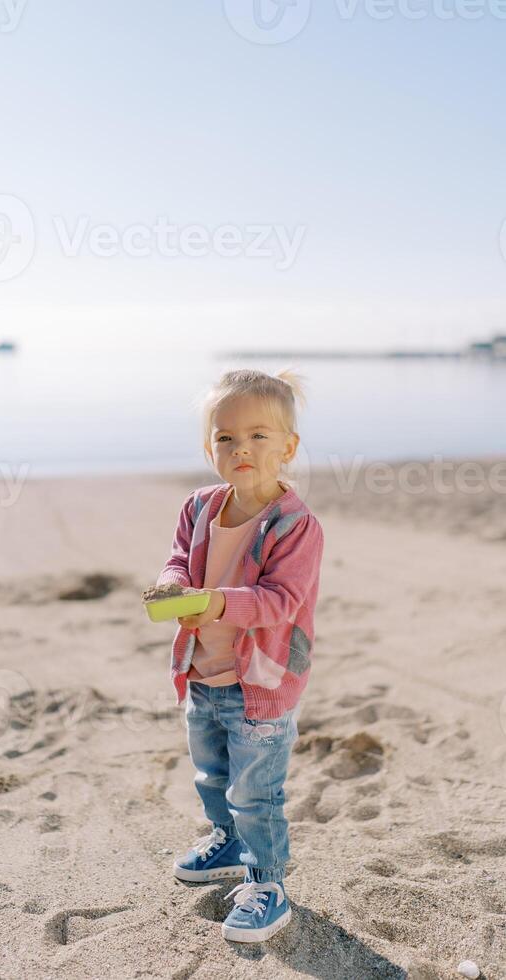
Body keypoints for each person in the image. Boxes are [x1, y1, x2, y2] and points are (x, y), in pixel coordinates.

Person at [154, 367, 325, 943]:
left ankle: (268, 883)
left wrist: (215, 605)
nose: (240, 448)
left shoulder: (295, 524)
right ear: (210, 449)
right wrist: (174, 587)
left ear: (288, 447)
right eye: (225, 437)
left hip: (262, 681)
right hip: (203, 670)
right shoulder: (200, 507)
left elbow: (281, 600)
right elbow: (179, 559)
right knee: (212, 773)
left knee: (257, 791)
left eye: (257, 435)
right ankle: (225, 841)